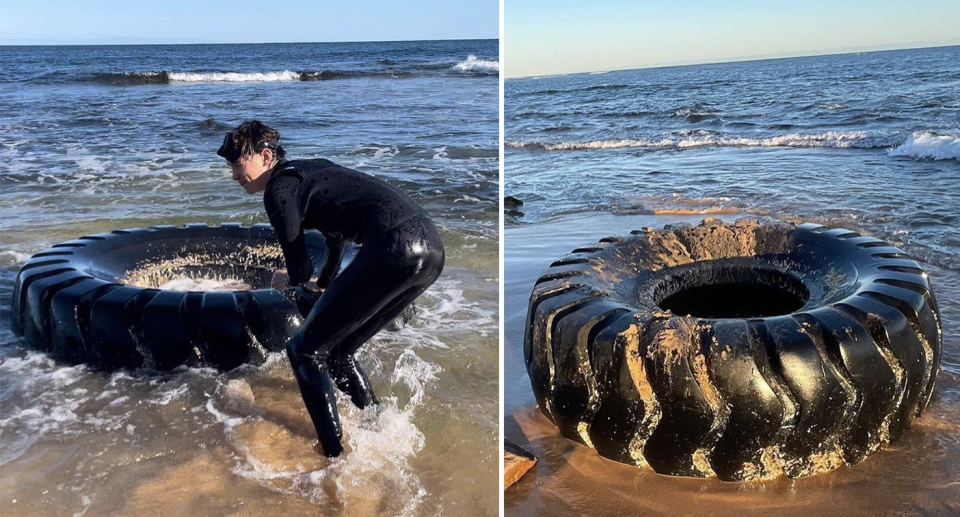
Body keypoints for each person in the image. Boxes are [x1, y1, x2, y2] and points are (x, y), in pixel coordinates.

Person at [217, 120, 445, 457]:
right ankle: (378, 425)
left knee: (303, 351)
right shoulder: (309, 172)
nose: (235, 175)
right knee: (336, 351)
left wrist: (292, 279)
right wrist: (322, 284)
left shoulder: (278, 190)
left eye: (238, 165)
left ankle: (334, 456)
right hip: (430, 249)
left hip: (395, 245)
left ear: (266, 156)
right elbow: (336, 237)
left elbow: (298, 267)